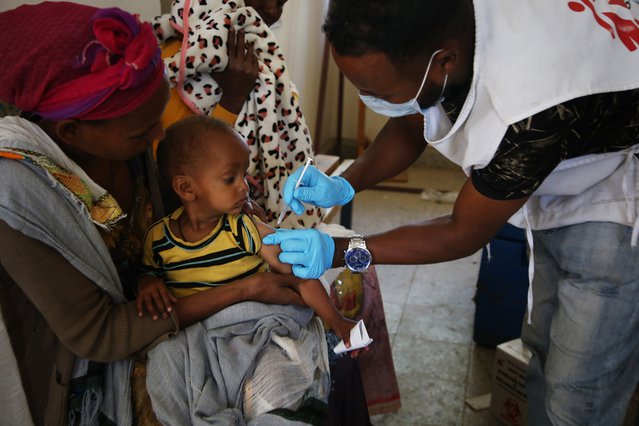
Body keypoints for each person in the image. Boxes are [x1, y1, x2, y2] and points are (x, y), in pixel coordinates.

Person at [264, 0, 639, 424]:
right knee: (544, 347)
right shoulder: (436, 34)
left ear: (443, 61)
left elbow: (461, 232)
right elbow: (413, 116)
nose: (369, 102)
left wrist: (339, 250)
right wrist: (347, 181)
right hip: (559, 161)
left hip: (620, 188)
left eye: (380, 94)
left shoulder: (529, 110)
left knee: (578, 393)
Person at [0, 3, 305, 425]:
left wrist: (228, 198)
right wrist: (244, 289)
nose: (157, 135)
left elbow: (180, 192)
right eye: (143, 131)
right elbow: (101, 335)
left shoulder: (125, 146)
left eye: (155, 120)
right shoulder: (16, 198)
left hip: (173, 320)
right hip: (85, 374)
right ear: (71, 133)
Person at [136, 115, 356, 346]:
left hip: (250, 329)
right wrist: (146, 282)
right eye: (230, 178)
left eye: (244, 175)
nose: (244, 186)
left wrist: (335, 320)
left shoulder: (241, 227)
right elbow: (148, 274)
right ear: (186, 187)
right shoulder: (158, 239)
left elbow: (300, 276)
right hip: (197, 337)